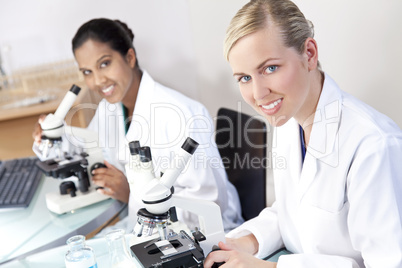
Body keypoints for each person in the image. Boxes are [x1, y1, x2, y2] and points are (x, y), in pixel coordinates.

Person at [204, 0, 402, 267]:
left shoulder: (373, 144)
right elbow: (292, 212)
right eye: (244, 78)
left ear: (309, 54)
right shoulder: (289, 119)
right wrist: (247, 241)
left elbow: (388, 263)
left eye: (270, 68)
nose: (258, 94)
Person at [33, 18, 243, 232]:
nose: (98, 80)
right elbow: (88, 150)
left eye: (104, 64)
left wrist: (131, 194)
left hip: (204, 236)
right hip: (143, 226)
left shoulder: (182, 114)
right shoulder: (110, 108)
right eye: (87, 72)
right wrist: (53, 138)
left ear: (130, 58)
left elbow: (208, 206)